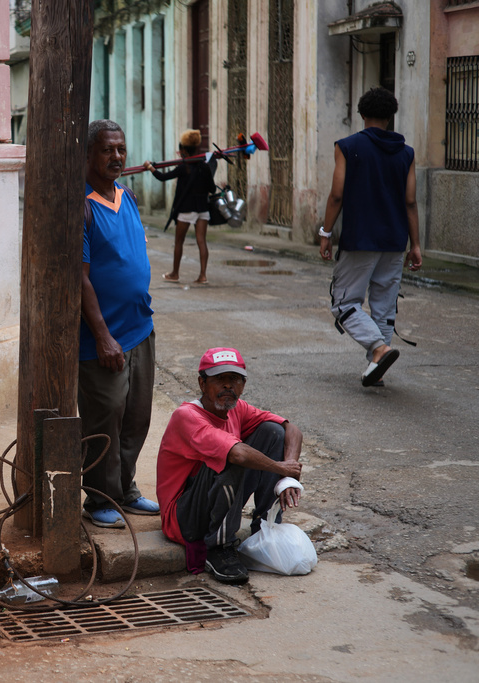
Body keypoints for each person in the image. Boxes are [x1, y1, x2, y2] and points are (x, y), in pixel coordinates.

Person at [156, 347, 304, 584]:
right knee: (230, 458)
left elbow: (291, 429)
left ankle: (266, 526)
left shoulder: (237, 409)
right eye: (219, 379)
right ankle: (219, 548)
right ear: (202, 384)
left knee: (273, 432)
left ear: (243, 385)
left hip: (212, 499)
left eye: (234, 379)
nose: (228, 386)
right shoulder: (187, 416)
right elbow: (238, 455)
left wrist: (289, 476)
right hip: (183, 517)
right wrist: (282, 469)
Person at [79, 119, 160, 529]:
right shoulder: (82, 204)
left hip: (139, 328)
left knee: (136, 416)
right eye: (108, 150)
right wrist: (102, 335)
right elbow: (81, 278)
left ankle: (125, 489)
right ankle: (98, 498)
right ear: (90, 154)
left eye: (121, 149)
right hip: (103, 339)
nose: (117, 157)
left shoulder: (126, 197)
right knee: (104, 416)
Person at [320, 87, 421, 387]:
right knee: (384, 306)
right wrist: (415, 244)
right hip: (394, 240)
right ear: (391, 117)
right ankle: (375, 366)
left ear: (362, 115)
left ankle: (378, 349)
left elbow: (337, 195)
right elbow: (410, 202)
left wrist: (326, 232)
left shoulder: (348, 146)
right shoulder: (406, 153)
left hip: (360, 238)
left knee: (344, 303)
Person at [144, 129, 218, 285]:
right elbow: (212, 189)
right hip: (202, 209)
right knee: (201, 241)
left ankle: (175, 274)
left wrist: (150, 167)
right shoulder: (204, 166)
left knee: (179, 242)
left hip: (186, 209)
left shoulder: (183, 167)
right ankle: (203, 275)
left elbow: (163, 177)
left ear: (183, 150)